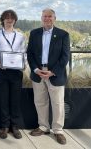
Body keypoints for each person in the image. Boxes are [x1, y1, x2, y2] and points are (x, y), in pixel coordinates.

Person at [27, 8, 70, 145]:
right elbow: (30, 54)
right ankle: (43, 127)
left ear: (54, 18)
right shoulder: (34, 33)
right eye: (45, 16)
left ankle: (58, 130)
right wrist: (35, 69)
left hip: (55, 74)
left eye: (50, 16)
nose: (47, 19)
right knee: (40, 101)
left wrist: (53, 71)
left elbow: (65, 56)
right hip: (38, 72)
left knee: (57, 103)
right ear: (41, 18)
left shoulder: (63, 34)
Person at [0, 10, 26, 139]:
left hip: (16, 71)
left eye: (12, 18)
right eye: (7, 18)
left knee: (15, 99)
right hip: (3, 70)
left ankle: (15, 126)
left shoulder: (21, 36)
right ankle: (5, 126)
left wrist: (24, 64)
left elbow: (24, 52)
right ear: (3, 20)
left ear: (15, 20)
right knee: (3, 99)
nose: (9, 20)